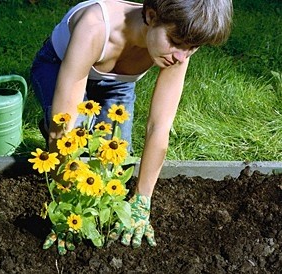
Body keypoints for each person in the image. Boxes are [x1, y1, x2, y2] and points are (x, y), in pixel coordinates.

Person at [30, 0, 233, 254]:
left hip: (117, 83)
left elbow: (159, 126)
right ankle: (48, 123)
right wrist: (68, 209)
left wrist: (142, 200)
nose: (182, 56)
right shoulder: (95, 26)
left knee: (115, 158)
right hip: (58, 64)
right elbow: (65, 122)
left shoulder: (180, 46)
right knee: (75, 130)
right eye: (176, 42)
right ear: (151, 16)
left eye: (192, 48)